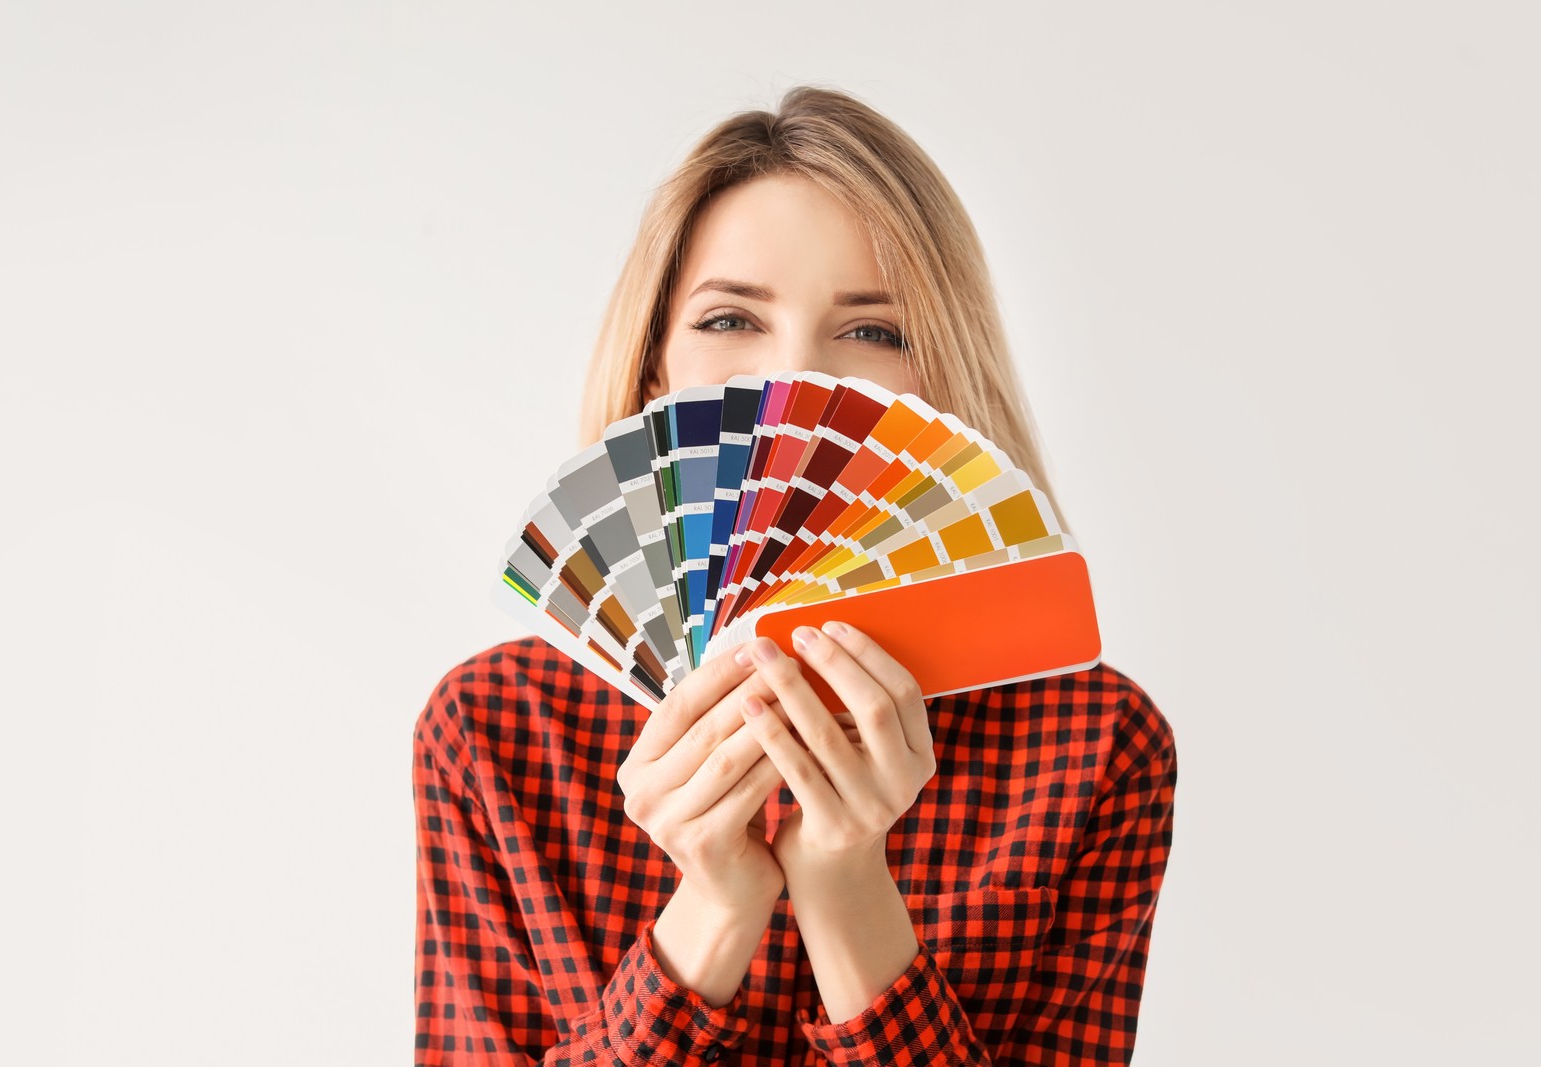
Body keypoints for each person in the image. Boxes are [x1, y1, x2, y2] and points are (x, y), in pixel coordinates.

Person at [413, 85, 1177, 1066]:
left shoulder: (1090, 747)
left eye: (873, 332)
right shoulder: (498, 729)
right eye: (730, 318)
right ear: (656, 375)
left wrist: (846, 884)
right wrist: (716, 906)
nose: (793, 382)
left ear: (939, 391)